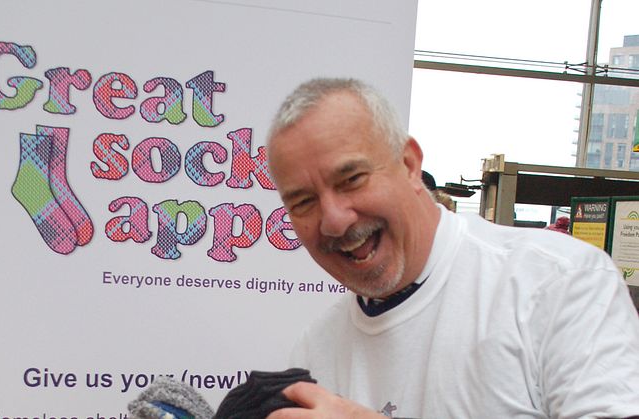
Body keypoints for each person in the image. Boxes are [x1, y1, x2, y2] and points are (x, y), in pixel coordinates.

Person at [264, 79, 639, 418]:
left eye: (351, 179)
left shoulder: (559, 283)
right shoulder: (316, 350)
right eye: (303, 202)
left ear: (409, 164)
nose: (334, 220)